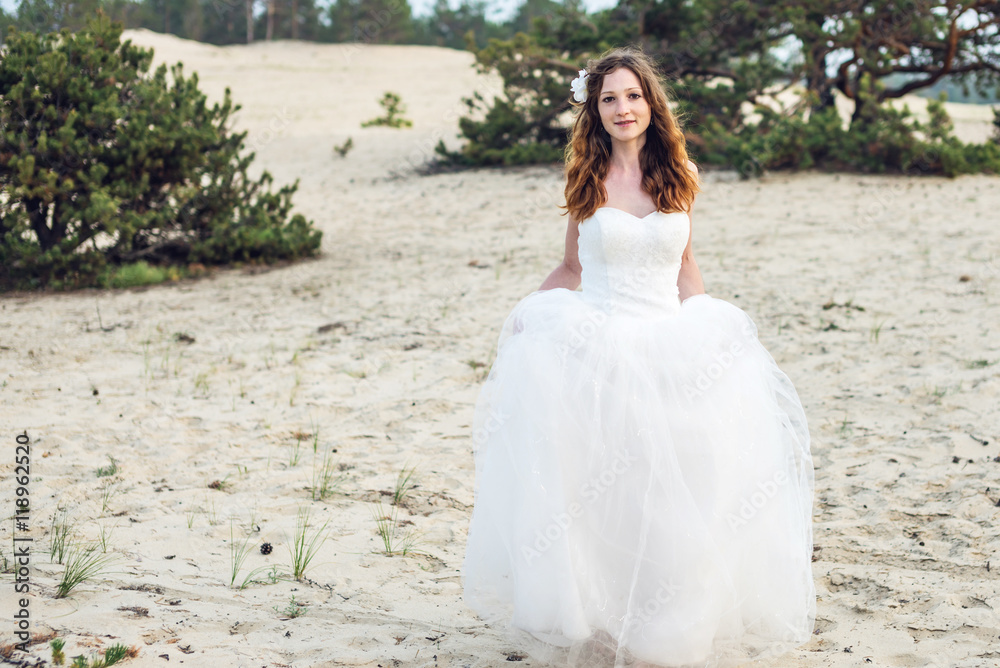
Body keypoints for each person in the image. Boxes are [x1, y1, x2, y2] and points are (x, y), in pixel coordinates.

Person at [462, 45, 816, 668]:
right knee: (608, 487)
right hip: (596, 344)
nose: (622, 108)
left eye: (632, 95)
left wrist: (708, 332)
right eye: (608, 99)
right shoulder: (587, 180)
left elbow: (684, 266)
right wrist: (527, 315)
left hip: (668, 344)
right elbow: (572, 266)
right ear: (593, 112)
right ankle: (601, 616)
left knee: (679, 488)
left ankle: (667, 626)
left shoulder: (678, 174)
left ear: (651, 103)